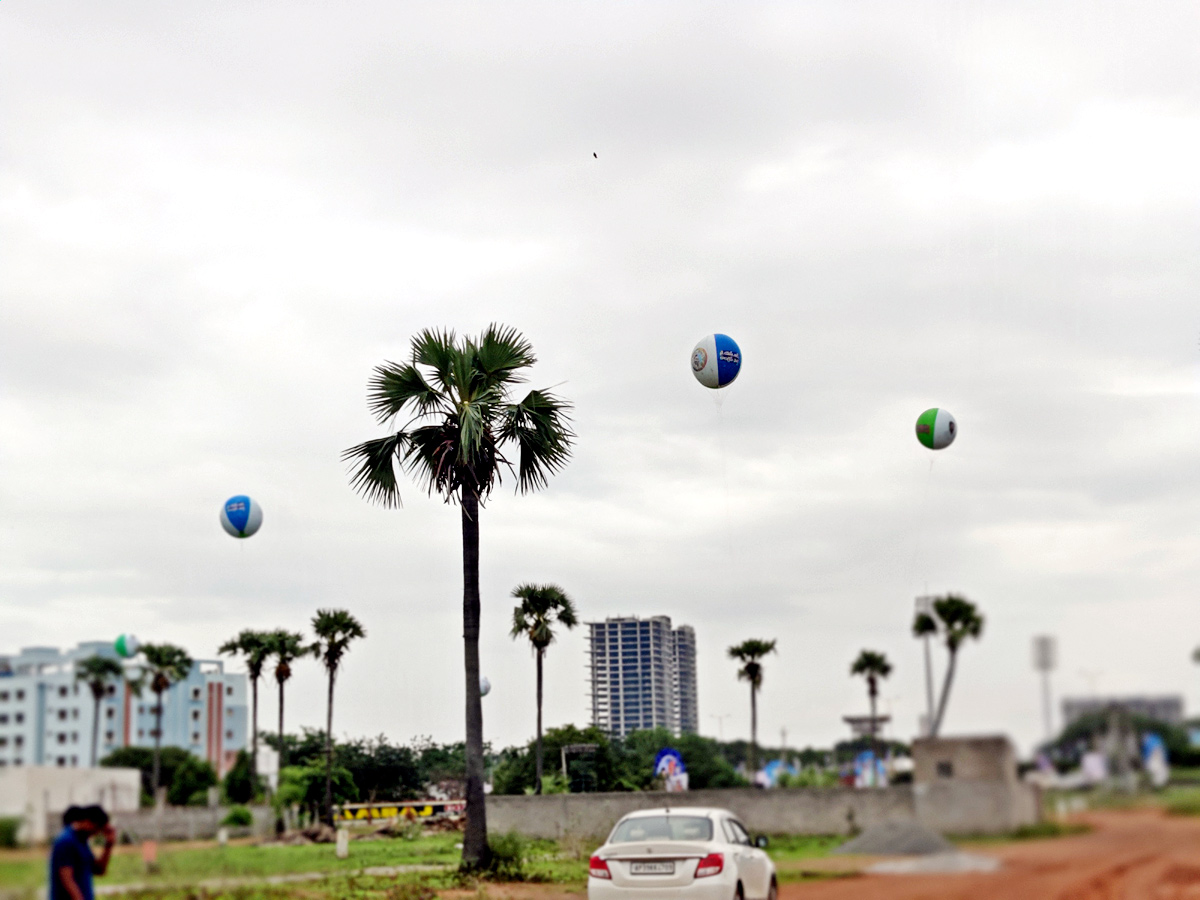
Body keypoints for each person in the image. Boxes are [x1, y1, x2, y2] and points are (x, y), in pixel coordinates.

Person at [49, 805, 115, 900]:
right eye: (96, 828)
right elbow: (67, 879)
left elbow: (99, 870)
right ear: (87, 821)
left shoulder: (82, 841)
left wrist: (109, 845)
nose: (95, 833)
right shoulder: (66, 841)